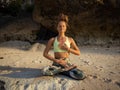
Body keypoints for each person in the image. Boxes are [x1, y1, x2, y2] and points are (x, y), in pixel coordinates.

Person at [43, 13, 85, 80]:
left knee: (81, 75)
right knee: (44, 71)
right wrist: (55, 60)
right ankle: (65, 70)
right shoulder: (52, 40)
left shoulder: (70, 39)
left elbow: (78, 52)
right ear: (57, 28)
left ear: (66, 28)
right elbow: (45, 54)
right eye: (59, 26)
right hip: (56, 63)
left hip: (66, 63)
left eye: (63, 26)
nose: (61, 27)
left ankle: (62, 70)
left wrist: (68, 49)